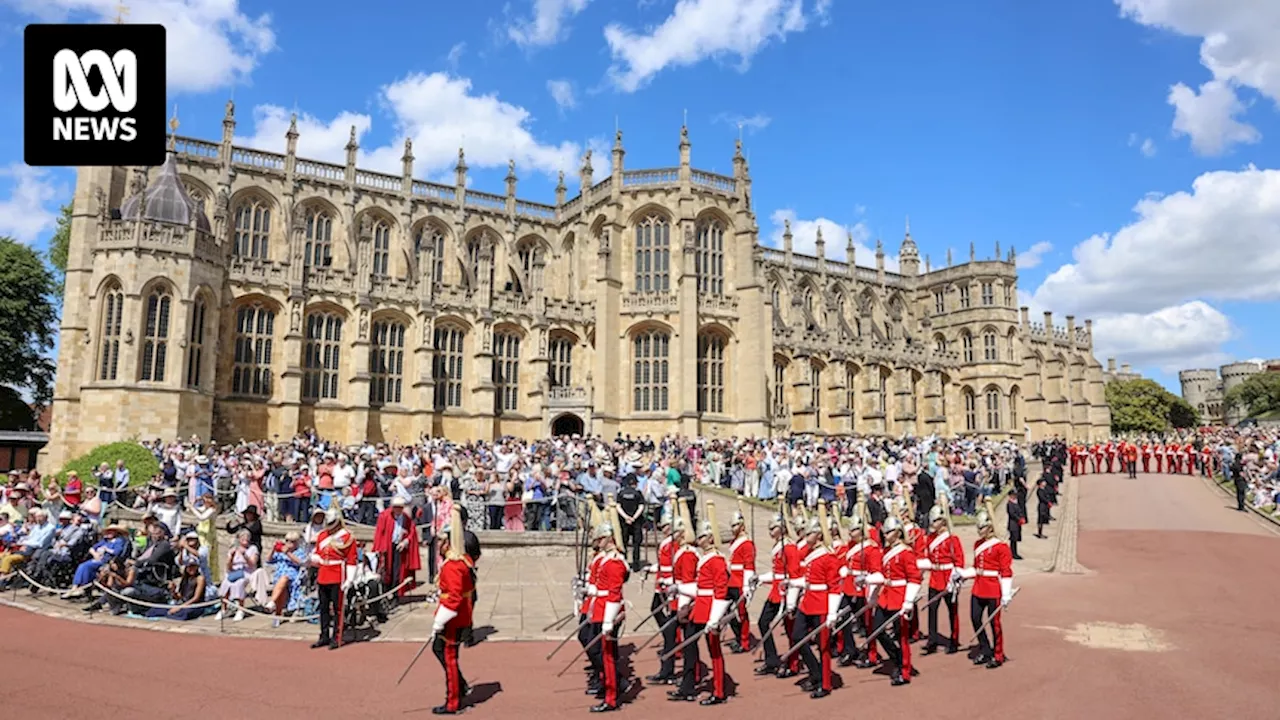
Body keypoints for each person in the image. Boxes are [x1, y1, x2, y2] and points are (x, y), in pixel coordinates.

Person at [671, 520, 729, 706]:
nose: (699, 539)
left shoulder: (717, 559)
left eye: (703, 536)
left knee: (715, 651)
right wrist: (679, 589)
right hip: (699, 608)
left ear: (711, 538)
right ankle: (688, 686)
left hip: (711, 609)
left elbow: (720, 590)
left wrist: (715, 618)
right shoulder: (705, 558)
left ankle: (719, 692)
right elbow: (700, 587)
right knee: (689, 646)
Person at [864, 516, 922, 686]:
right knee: (877, 630)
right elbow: (882, 574)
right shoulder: (885, 551)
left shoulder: (906, 552)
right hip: (886, 596)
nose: (885, 535)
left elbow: (914, 578)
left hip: (900, 596)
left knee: (902, 635)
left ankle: (904, 671)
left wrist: (908, 601)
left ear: (897, 533)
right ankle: (897, 657)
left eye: (888, 532)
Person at [788, 517, 841, 699]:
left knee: (823, 646)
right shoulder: (809, 553)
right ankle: (815, 671)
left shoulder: (828, 556)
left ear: (818, 535)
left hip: (821, 604)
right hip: (807, 602)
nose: (805, 536)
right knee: (797, 637)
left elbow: (834, 586)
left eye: (809, 533)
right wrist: (792, 583)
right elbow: (808, 579)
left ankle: (825, 683)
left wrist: (832, 613)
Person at [430, 507, 475, 715]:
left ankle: (453, 702)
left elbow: (455, 597)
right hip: (457, 616)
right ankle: (461, 685)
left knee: (449, 658)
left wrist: (440, 621)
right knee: (440, 650)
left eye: (442, 541)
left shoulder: (453, 565)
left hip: (452, 618)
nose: (439, 545)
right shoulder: (460, 561)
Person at [955, 510, 1014, 668]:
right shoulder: (977, 545)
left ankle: (998, 654)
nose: (979, 531)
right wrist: (962, 574)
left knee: (994, 623)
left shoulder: (1001, 547)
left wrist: (1006, 593)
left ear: (989, 527)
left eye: (981, 528)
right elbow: (976, 568)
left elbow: (1006, 572)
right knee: (975, 618)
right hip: (979, 587)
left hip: (993, 588)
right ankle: (985, 648)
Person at [585, 520, 631, 713]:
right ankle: (608, 688)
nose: (599, 542)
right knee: (604, 655)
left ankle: (611, 697)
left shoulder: (614, 561)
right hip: (601, 608)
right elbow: (601, 586)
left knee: (608, 656)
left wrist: (608, 621)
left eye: (601, 538)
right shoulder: (606, 559)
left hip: (608, 612)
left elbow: (613, 592)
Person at [753, 513, 799, 676]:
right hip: (775, 592)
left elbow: (793, 574)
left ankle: (794, 663)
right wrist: (760, 578)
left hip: (786, 592)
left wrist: (792, 601)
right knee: (762, 622)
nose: (770, 531)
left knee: (790, 630)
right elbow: (776, 573)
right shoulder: (777, 546)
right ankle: (771, 659)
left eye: (773, 528)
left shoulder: (789, 547)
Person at [919, 505, 964, 655]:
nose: (933, 524)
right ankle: (932, 640)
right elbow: (928, 557)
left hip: (948, 577)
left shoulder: (952, 538)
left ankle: (954, 639)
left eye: (936, 521)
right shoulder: (931, 538)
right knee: (932, 609)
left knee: (952, 610)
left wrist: (955, 577)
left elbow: (959, 560)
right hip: (935, 578)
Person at [310, 507, 357, 649]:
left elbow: (351, 558)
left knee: (338, 609)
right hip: (324, 573)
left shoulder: (347, 536)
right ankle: (324, 635)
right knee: (323, 608)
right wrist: (315, 558)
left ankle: (337, 637)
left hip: (338, 574)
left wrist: (349, 579)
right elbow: (318, 552)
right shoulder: (322, 535)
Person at [644, 511, 679, 685]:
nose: (664, 529)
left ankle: (668, 670)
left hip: (668, 589)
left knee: (670, 629)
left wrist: (666, 587)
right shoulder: (667, 544)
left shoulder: (672, 545)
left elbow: (670, 569)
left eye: (666, 526)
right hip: (663, 585)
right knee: (658, 616)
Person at [372, 496, 421, 599]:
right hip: (387, 548)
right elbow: (379, 533)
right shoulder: (384, 516)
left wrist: (405, 541)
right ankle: (384, 595)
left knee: (397, 572)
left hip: (399, 547)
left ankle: (395, 595)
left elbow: (412, 532)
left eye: (400, 507)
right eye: (396, 507)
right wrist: (379, 548)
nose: (398, 510)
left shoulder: (405, 518)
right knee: (385, 571)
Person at [724, 511, 755, 653]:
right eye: (732, 525)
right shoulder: (734, 541)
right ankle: (738, 636)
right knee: (727, 610)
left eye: (735, 525)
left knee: (742, 613)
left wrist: (747, 586)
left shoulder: (747, 543)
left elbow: (749, 565)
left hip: (740, 581)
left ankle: (744, 641)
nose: (733, 528)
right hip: (731, 580)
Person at [615, 475, 645, 571]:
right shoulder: (638, 493)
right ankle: (636, 565)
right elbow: (641, 507)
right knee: (636, 544)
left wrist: (626, 517)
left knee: (623, 543)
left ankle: (623, 564)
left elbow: (618, 506)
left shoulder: (621, 493)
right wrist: (634, 517)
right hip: (636, 521)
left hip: (624, 521)